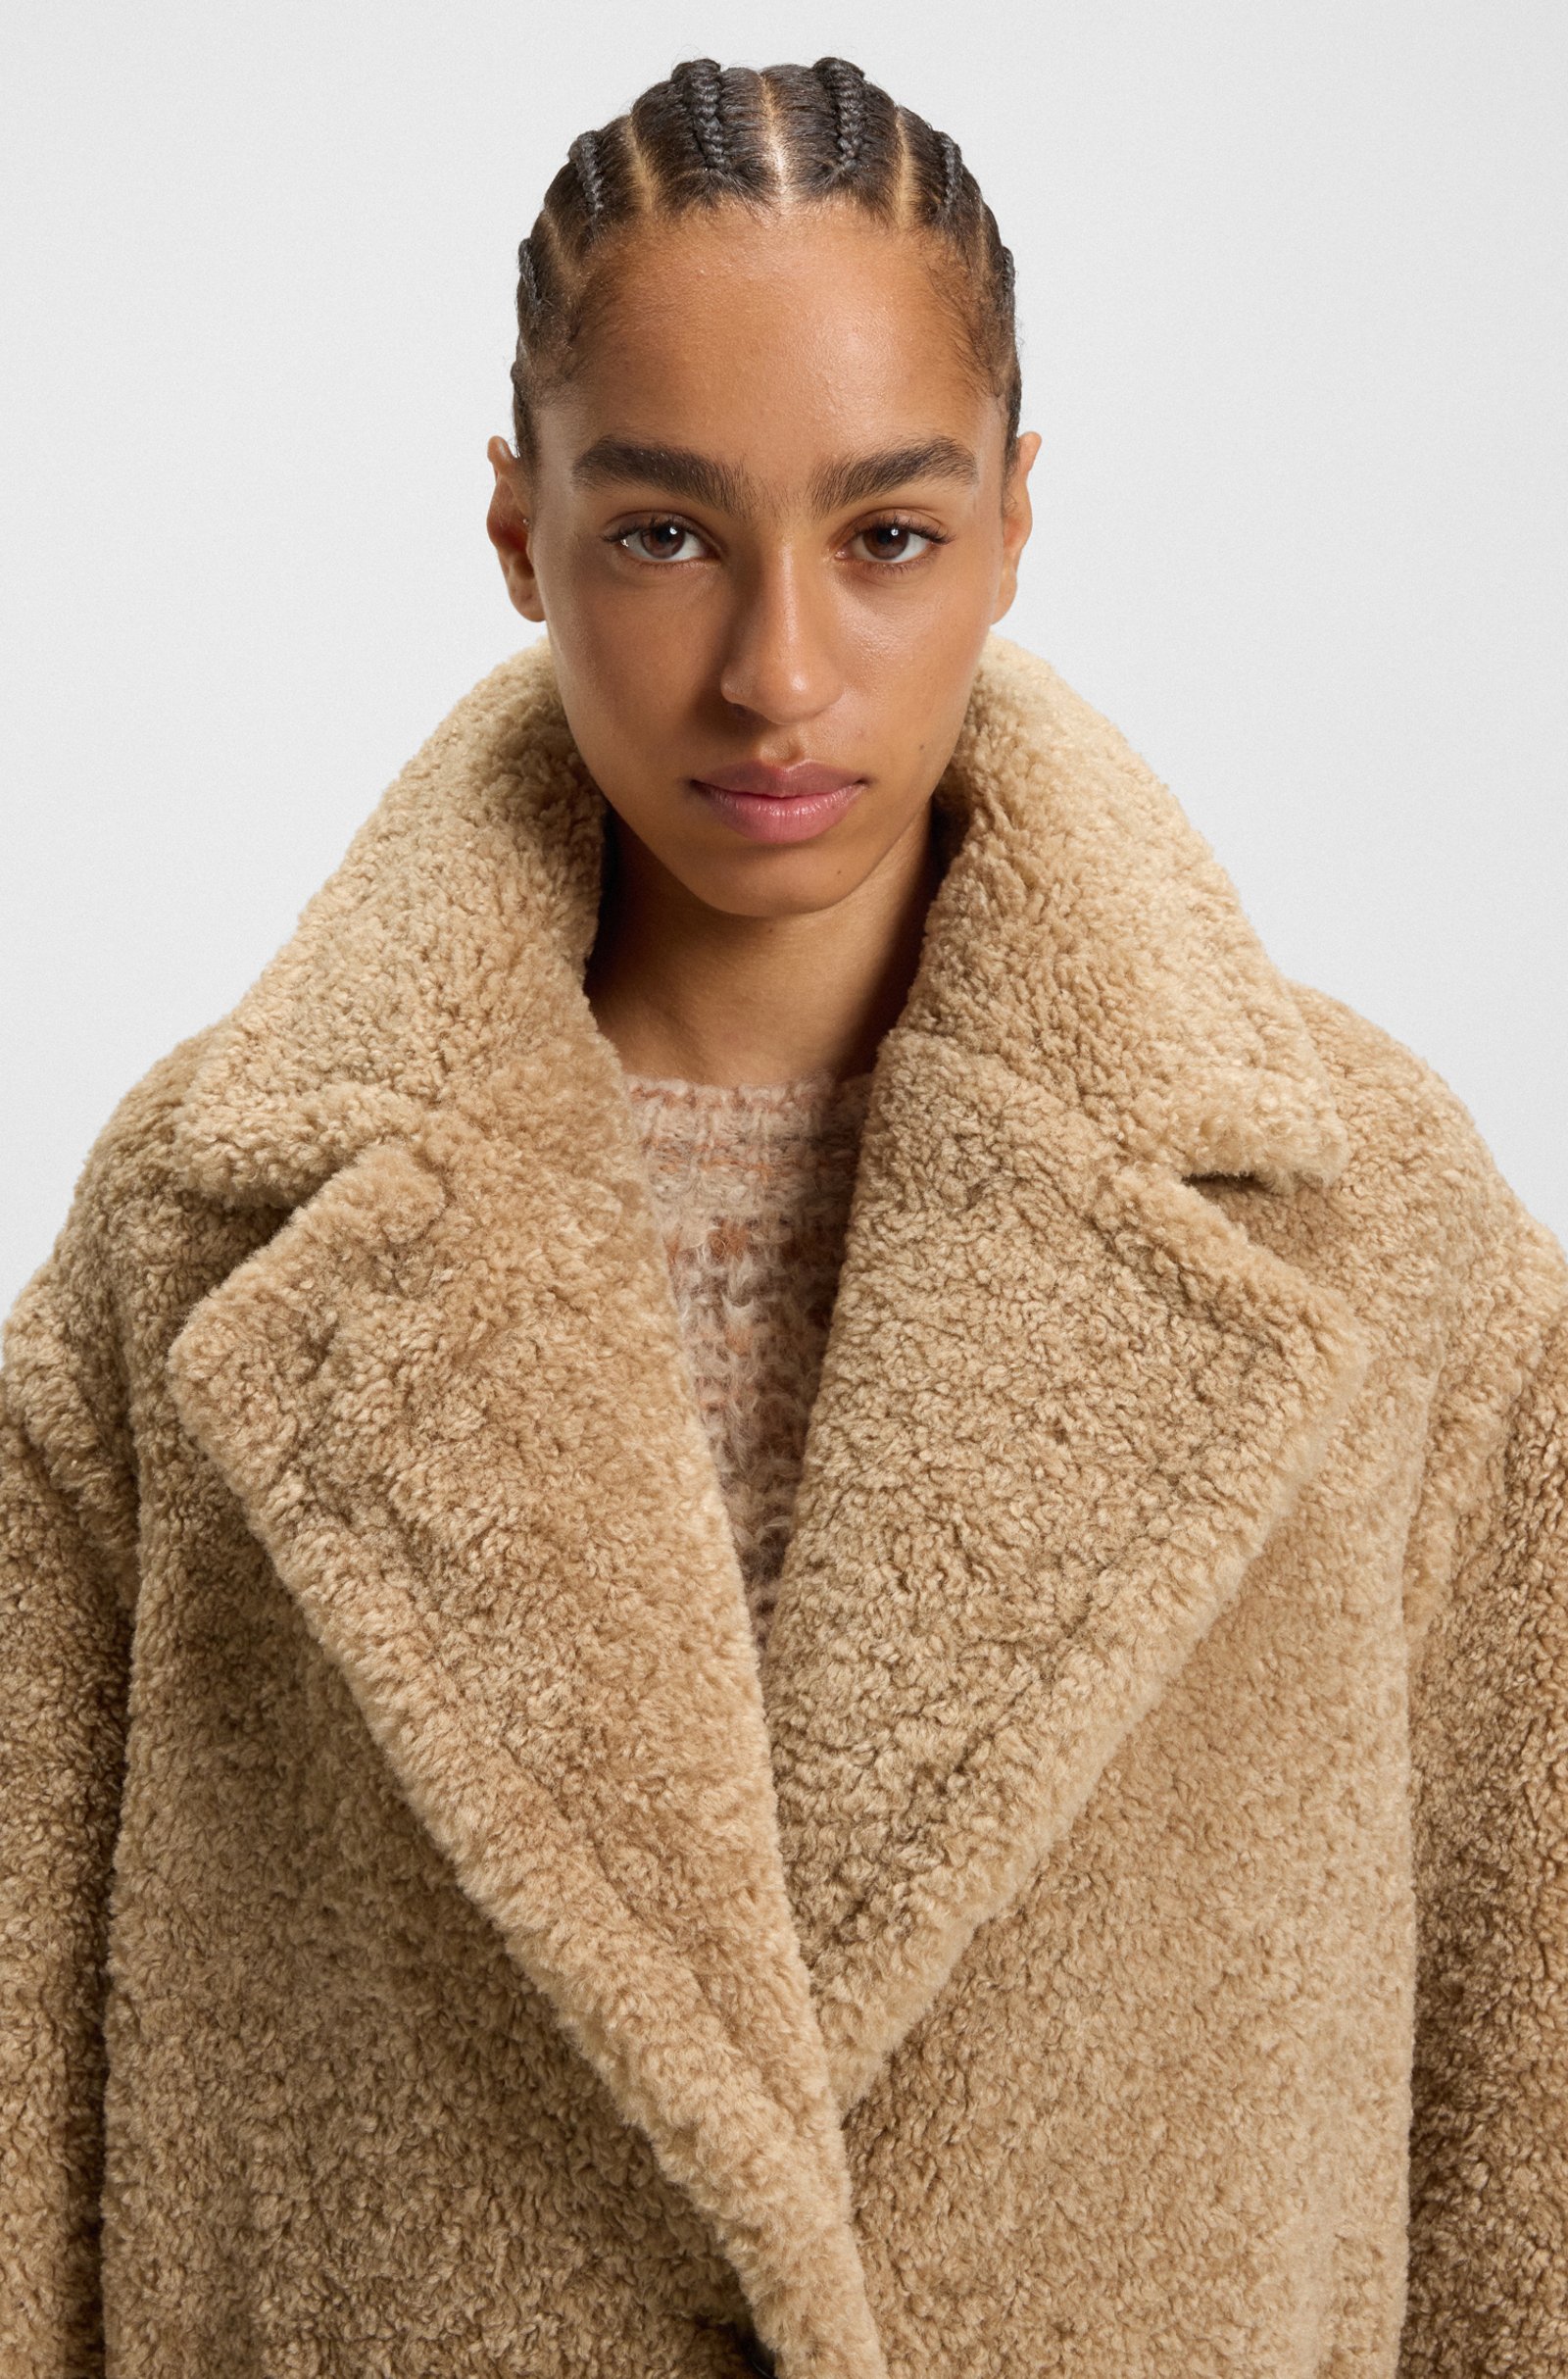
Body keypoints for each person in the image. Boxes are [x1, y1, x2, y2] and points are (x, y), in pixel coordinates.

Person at [1, 52, 1563, 2379]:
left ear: (1012, 521)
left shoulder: (1367, 1222)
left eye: (885, 535)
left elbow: (1526, 2152)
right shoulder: (210, 1231)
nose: (777, 673)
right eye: (663, 533)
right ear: (518, 523)